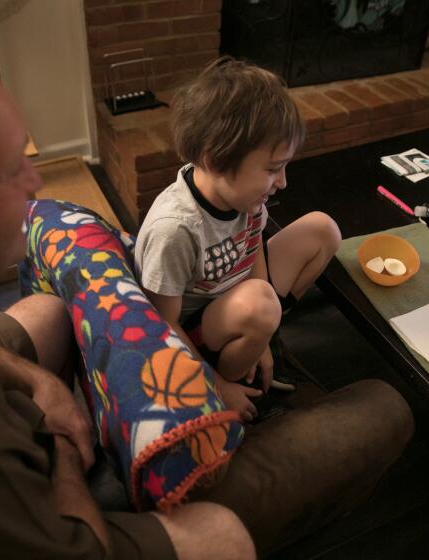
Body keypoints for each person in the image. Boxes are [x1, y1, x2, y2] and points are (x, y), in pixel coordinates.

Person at [0, 33, 415, 558]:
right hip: (57, 516)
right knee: (379, 414)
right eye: (7, 173)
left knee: (53, 309)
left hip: (0, 405)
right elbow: (76, 546)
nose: (37, 185)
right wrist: (58, 438)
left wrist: (39, 382)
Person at [134, 58, 342, 421]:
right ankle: (235, 375)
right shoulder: (176, 229)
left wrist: (263, 335)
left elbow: (254, 248)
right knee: (261, 304)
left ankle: (260, 339)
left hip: (239, 297)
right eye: (273, 169)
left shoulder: (245, 197)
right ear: (215, 162)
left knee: (323, 231)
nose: (283, 182)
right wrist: (216, 385)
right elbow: (161, 326)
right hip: (197, 331)